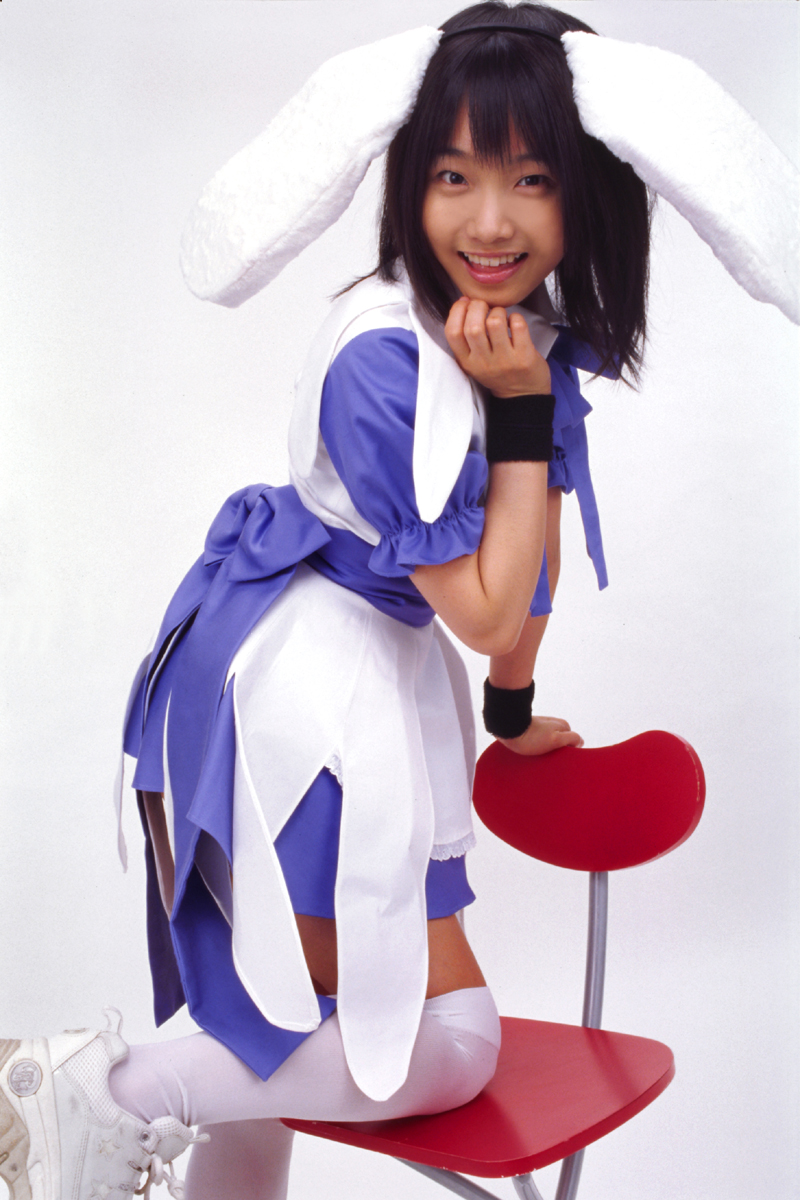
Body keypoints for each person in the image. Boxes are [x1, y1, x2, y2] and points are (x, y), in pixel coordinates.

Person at [1, 3, 793, 1199]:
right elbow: (480, 609)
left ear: (583, 188)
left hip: (365, 675)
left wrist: (511, 711)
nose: (489, 220)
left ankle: (106, 1095)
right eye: (451, 176)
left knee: (283, 1035)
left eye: (530, 178)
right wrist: (513, 415)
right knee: (441, 1043)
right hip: (295, 697)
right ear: (407, 186)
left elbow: (529, 571)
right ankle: (100, 1094)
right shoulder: (381, 358)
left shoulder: (520, 338)